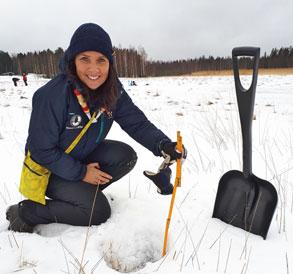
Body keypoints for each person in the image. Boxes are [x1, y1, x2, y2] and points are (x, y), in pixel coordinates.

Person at [6, 23, 187, 233]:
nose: (94, 69)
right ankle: (27, 212)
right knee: (98, 212)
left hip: (78, 157)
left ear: (110, 63)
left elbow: (135, 122)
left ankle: (80, 195)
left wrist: (163, 144)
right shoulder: (52, 95)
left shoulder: (112, 91)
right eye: (85, 59)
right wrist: (82, 173)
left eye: (101, 60)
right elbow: (40, 151)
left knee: (125, 156)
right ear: (73, 60)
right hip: (50, 170)